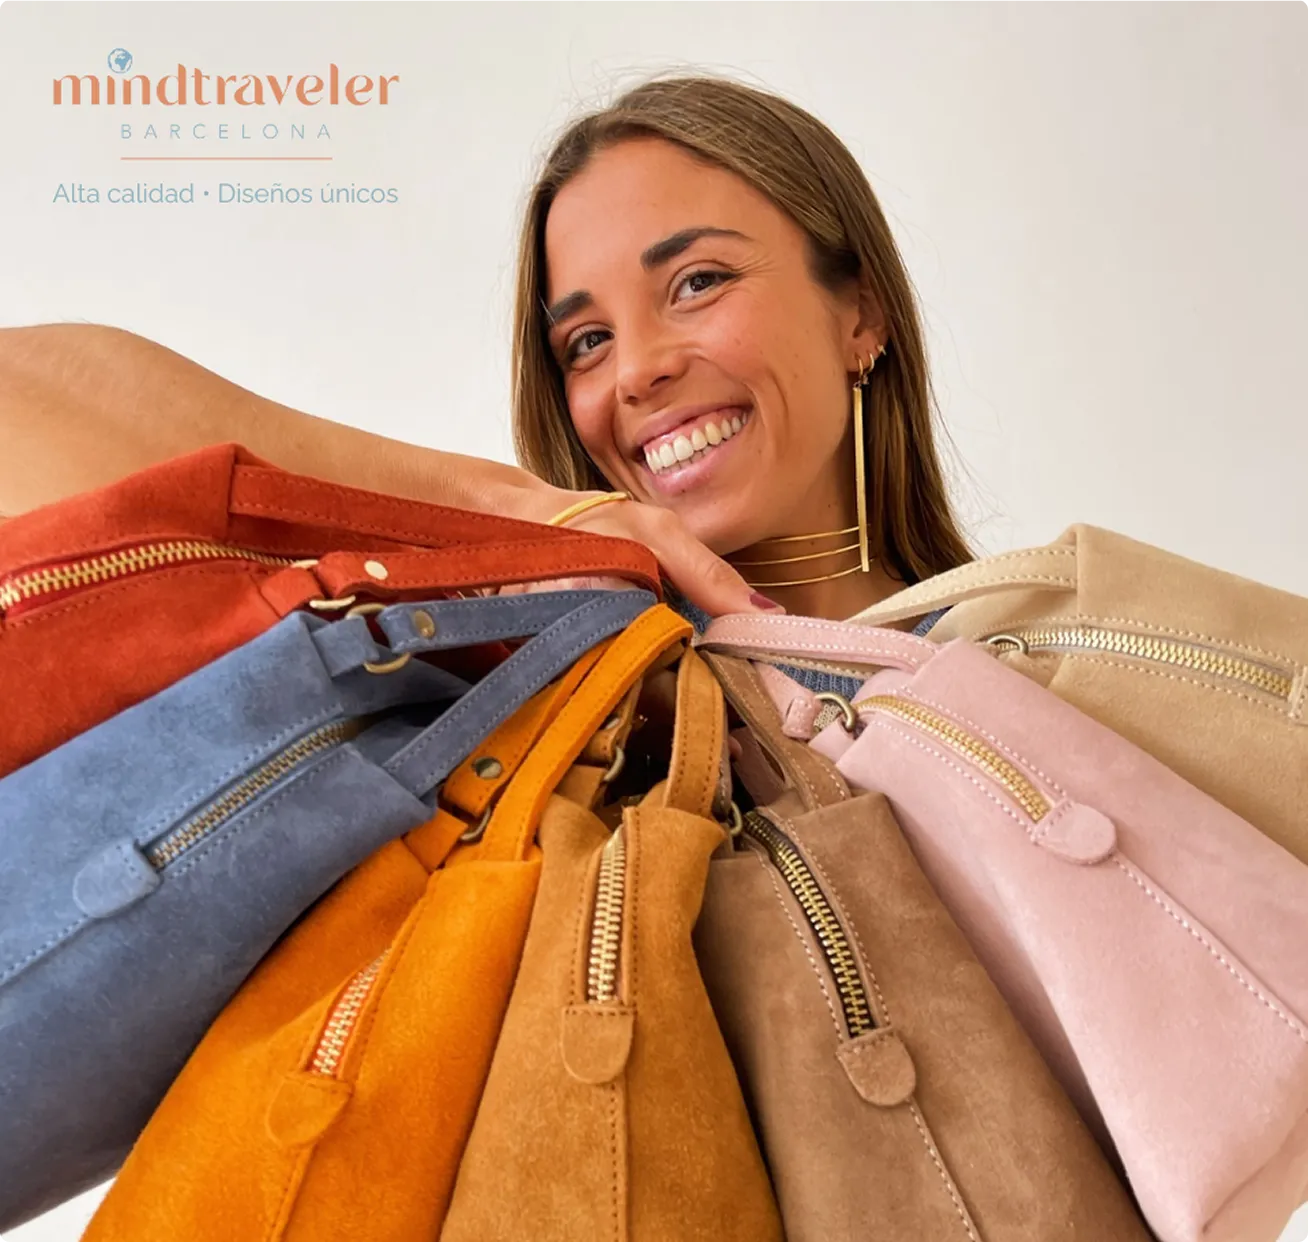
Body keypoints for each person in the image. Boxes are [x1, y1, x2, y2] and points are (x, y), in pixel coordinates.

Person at [0, 74, 972, 639]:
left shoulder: (1057, 661)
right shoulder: (532, 658)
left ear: (861, 315)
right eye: (585, 342)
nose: (635, 371)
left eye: (697, 282)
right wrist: (508, 510)